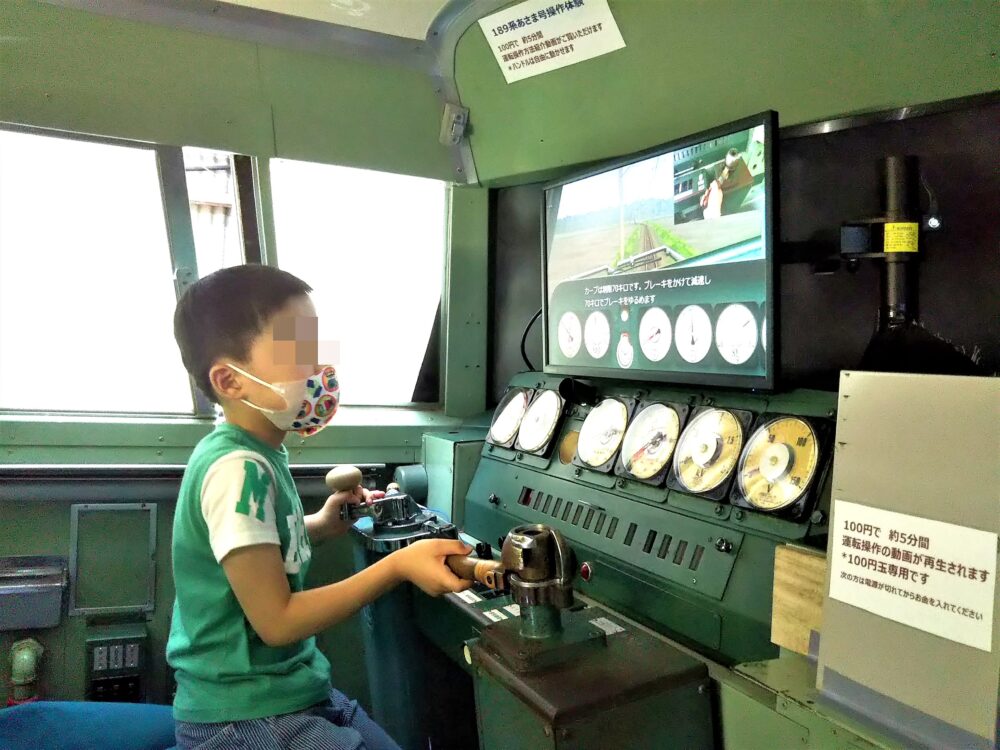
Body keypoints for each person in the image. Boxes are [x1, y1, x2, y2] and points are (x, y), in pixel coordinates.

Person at [168, 264, 472, 749]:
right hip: (245, 716)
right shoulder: (237, 470)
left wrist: (321, 524)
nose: (317, 370)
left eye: (314, 348)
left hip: (291, 689)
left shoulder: (256, 451)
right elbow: (279, 620)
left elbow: (254, 550)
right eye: (296, 351)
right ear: (230, 381)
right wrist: (398, 566)